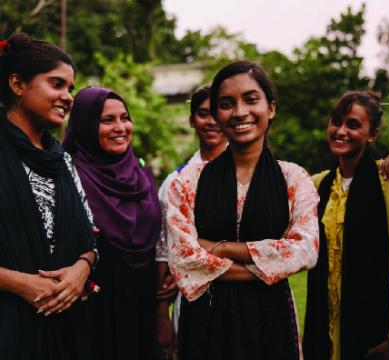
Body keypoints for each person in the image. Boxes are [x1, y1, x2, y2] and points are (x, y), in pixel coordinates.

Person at [166, 61, 319, 360]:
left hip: (270, 321)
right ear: (216, 114)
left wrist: (219, 248)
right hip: (206, 323)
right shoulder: (188, 181)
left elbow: (304, 250)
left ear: (271, 108)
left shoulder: (293, 179)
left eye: (251, 99)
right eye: (226, 104)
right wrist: (271, 264)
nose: (239, 112)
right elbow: (183, 259)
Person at [0, 33, 97, 360]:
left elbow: (90, 235)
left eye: (70, 88)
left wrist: (81, 268)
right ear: (17, 84)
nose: (68, 97)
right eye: (57, 84)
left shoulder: (64, 161)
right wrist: (21, 283)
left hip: (68, 329)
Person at [303, 91, 389, 360]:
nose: (341, 131)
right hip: (324, 323)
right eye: (336, 122)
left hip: (371, 324)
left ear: (372, 134)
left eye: (353, 124)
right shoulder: (318, 185)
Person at [63, 87, 162, 360]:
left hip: (143, 303)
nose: (120, 127)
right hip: (93, 307)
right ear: (85, 125)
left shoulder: (142, 173)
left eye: (125, 118)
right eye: (107, 120)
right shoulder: (67, 178)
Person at [155, 86, 227, 357]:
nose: (211, 122)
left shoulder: (254, 176)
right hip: (192, 299)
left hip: (244, 295)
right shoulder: (176, 182)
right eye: (202, 114)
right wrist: (161, 315)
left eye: (217, 113)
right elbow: (163, 252)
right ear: (191, 120)